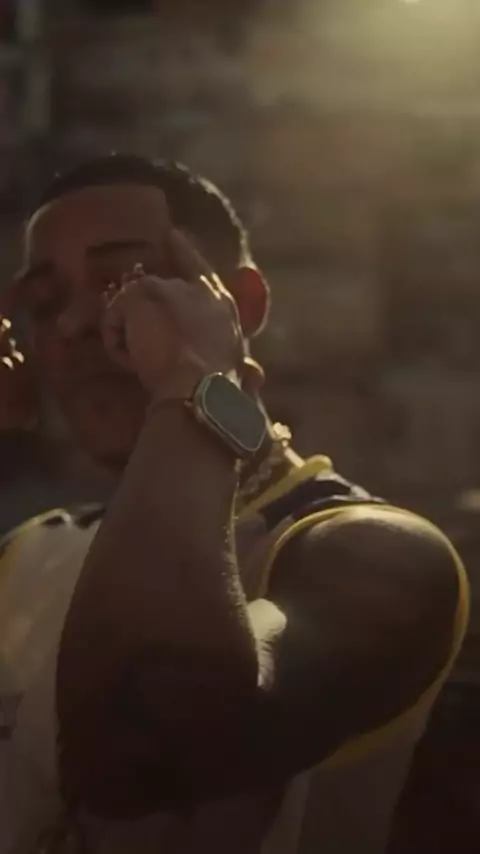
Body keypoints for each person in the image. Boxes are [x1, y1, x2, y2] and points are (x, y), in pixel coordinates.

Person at [0, 154, 469, 854]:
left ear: (238, 304)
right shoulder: (30, 549)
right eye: (42, 304)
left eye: (123, 282)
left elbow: (143, 749)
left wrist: (195, 385)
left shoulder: (369, 550)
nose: (70, 324)